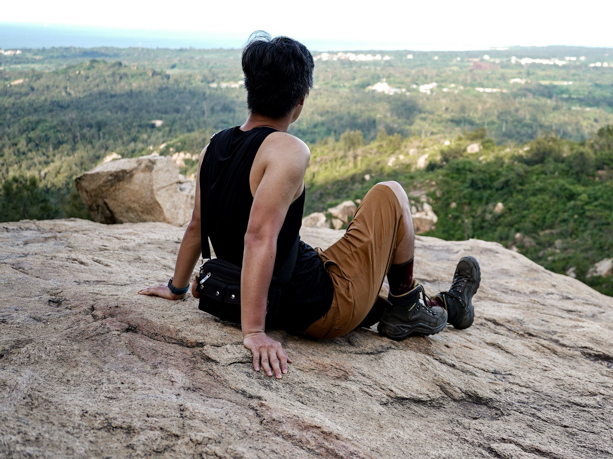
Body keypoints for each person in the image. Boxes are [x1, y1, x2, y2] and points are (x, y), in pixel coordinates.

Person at [140, 31, 481, 378]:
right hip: (313, 305)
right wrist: (254, 333)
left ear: (250, 89)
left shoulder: (212, 146)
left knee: (373, 297)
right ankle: (408, 305)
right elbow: (259, 237)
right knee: (390, 193)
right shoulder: (288, 149)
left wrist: (176, 287)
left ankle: (449, 306)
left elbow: (198, 225)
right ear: (300, 100)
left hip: (243, 292)